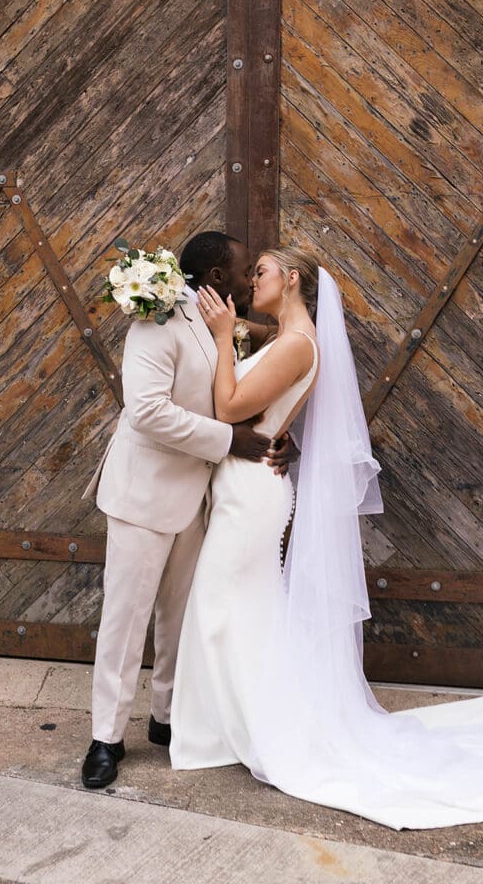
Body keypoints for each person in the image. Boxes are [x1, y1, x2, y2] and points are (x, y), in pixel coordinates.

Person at [170, 245, 483, 831]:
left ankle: (248, 729)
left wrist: (225, 336)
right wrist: (233, 329)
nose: (252, 280)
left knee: (224, 604)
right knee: (236, 608)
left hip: (251, 497)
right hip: (244, 489)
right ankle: (229, 726)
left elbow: (229, 407)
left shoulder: (299, 344)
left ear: (293, 278)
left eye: (262, 272)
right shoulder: (285, 337)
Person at [80, 231, 294, 790]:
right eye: (245, 268)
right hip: (144, 495)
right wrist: (229, 441)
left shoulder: (224, 325)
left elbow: (249, 384)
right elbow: (147, 411)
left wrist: (275, 435)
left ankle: (166, 719)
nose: (251, 278)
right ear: (217, 276)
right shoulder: (158, 319)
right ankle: (105, 736)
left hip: (202, 500)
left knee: (179, 617)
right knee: (126, 620)